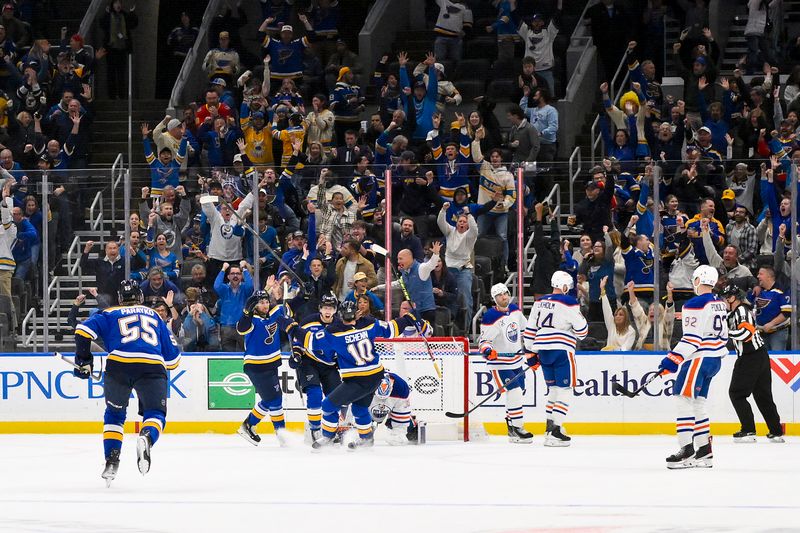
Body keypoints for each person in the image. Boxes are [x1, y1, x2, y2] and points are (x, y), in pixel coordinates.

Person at [73, 280, 181, 486]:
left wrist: (83, 361)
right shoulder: (156, 317)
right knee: (155, 414)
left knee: (114, 415)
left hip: (119, 365)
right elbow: (174, 361)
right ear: (140, 297)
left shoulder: (109, 313)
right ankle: (147, 438)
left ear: (120, 298)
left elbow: (82, 331)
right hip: (152, 366)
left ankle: (111, 461)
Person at [294, 299, 424, 450]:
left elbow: (310, 341)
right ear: (356, 313)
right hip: (376, 376)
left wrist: (291, 328)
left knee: (328, 405)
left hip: (357, 380)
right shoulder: (370, 324)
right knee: (359, 409)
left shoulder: (334, 333)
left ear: (340, 315)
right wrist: (409, 318)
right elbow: (392, 329)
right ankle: (367, 438)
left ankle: (328, 437)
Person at [658, 265, 727, 469]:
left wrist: (671, 360)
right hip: (715, 359)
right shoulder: (719, 303)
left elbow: (692, 339)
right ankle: (704, 451)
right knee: (698, 403)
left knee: (683, 399)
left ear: (698, 280)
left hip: (699, 358)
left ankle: (686, 449)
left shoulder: (694, 303)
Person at [523, 271, 588, 447]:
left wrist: (530, 354)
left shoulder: (539, 302)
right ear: (565, 286)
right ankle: (556, 430)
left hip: (543, 350)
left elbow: (530, 331)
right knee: (565, 390)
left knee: (552, 389)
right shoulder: (569, 302)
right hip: (562, 350)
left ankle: (549, 427)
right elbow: (582, 332)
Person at [718, 283, 784, 443]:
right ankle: (776, 431)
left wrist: (726, 333)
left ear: (733, 298)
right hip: (759, 355)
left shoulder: (741, 310)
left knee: (736, 393)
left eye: (725, 299)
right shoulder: (732, 314)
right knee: (763, 396)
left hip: (750, 356)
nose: (724, 302)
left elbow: (747, 333)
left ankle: (748, 430)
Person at [235, 287, 296, 447]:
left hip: (271, 363)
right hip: (256, 366)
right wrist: (246, 312)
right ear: (254, 306)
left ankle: (256, 427)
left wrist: (291, 296)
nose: (265, 305)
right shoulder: (252, 320)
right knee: (273, 398)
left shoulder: (275, 313)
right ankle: (263, 428)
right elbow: (241, 328)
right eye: (261, 302)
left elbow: (289, 313)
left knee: (273, 399)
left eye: (266, 301)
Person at [478, 283, 533, 444]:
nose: (504, 296)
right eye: (500, 295)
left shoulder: (515, 310)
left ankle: (511, 425)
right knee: (514, 391)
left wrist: (532, 350)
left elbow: (526, 331)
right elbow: (484, 341)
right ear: (494, 299)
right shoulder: (491, 317)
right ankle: (518, 428)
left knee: (519, 392)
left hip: (516, 361)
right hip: (499, 363)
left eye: (506, 293)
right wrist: (488, 350)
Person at [291, 293, 343, 444]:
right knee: (314, 394)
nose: (328, 311)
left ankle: (330, 431)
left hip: (330, 366)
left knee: (334, 398)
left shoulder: (339, 325)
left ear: (335, 310)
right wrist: (296, 354)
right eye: (325, 307)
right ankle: (315, 429)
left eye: (331, 308)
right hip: (309, 362)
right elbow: (298, 341)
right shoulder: (308, 322)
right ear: (320, 308)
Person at [368, 371, 418, 445]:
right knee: (361, 434)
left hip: (392, 403)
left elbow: (401, 411)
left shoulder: (401, 388)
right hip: (370, 400)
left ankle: (413, 425)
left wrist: (399, 433)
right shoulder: (364, 383)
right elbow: (356, 408)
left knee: (406, 436)